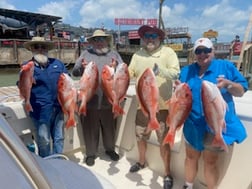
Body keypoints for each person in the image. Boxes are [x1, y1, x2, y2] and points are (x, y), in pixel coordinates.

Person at [179, 37, 248, 189]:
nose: (202, 54)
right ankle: (187, 185)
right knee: (190, 158)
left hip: (215, 125)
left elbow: (241, 90)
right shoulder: (186, 71)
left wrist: (229, 84)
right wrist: (177, 90)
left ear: (213, 51)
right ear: (194, 54)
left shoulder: (225, 67)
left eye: (206, 50)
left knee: (210, 163)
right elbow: (181, 96)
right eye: (198, 51)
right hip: (192, 125)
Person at [128, 25, 180, 189]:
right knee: (140, 136)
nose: (150, 38)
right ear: (143, 38)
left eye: (153, 35)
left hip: (163, 107)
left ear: (159, 38)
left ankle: (167, 173)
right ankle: (141, 162)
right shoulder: (137, 54)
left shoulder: (168, 53)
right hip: (142, 106)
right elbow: (130, 73)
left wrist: (161, 71)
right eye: (147, 36)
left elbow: (176, 73)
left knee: (163, 141)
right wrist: (120, 72)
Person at [72, 29, 123, 166]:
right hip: (90, 100)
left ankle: (110, 149)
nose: (99, 42)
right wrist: (81, 68)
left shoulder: (114, 55)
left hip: (109, 100)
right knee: (90, 128)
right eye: (96, 40)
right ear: (92, 42)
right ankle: (90, 154)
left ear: (107, 40)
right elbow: (75, 72)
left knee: (110, 128)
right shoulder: (85, 54)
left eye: (102, 39)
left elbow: (123, 72)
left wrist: (117, 67)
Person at [20, 36, 69, 157]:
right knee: (44, 140)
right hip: (40, 110)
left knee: (59, 138)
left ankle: (58, 161)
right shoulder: (27, 67)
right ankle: (47, 164)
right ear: (31, 49)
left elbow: (68, 81)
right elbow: (21, 86)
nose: (40, 49)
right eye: (37, 46)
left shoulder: (58, 64)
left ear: (48, 48)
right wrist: (23, 77)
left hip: (59, 108)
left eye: (44, 46)